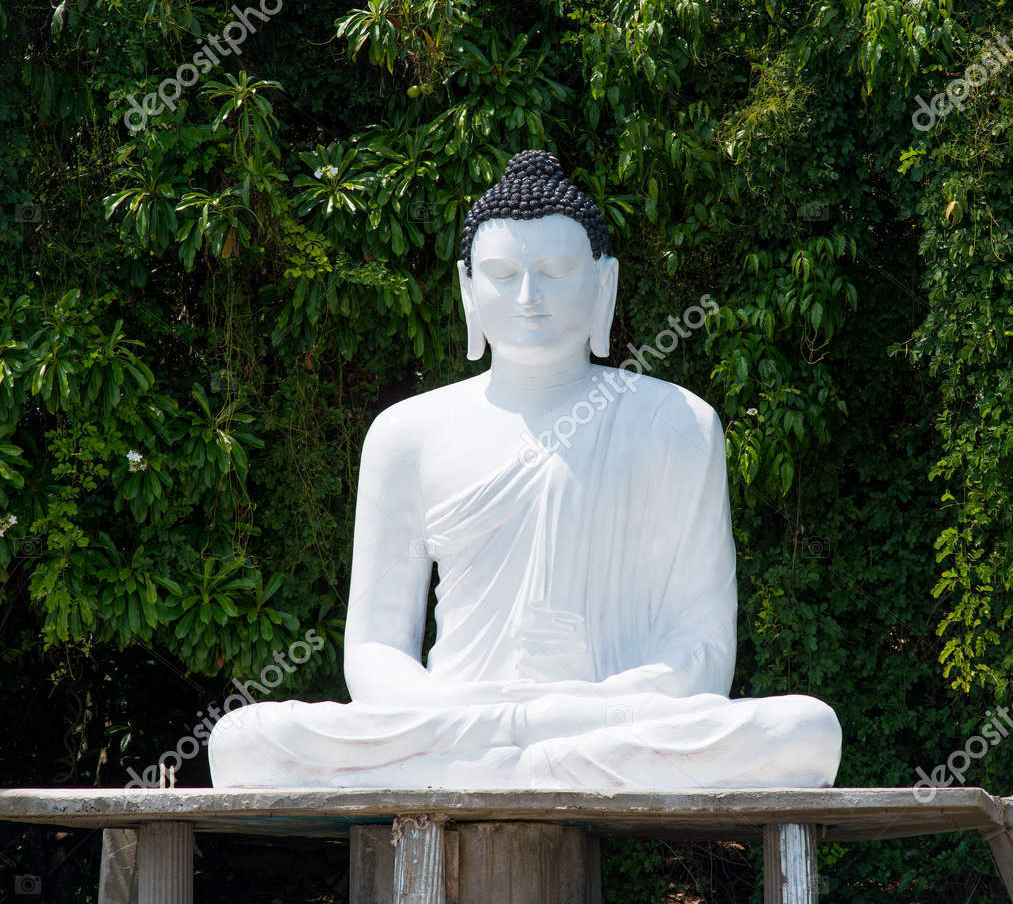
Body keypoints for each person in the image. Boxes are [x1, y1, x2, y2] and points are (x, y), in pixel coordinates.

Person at [209, 150, 841, 791]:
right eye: (503, 274)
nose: (528, 297)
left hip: (605, 719)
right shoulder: (406, 434)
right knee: (242, 741)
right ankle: (526, 761)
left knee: (807, 731)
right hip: (457, 716)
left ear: (605, 286)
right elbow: (373, 653)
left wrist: (585, 708)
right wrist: (461, 712)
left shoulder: (676, 422)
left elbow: (702, 652)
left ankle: (498, 763)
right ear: (467, 290)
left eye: (556, 271)